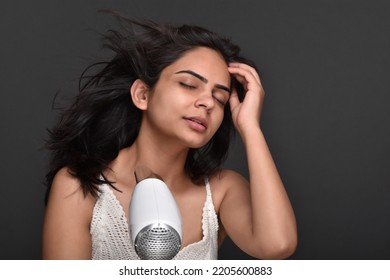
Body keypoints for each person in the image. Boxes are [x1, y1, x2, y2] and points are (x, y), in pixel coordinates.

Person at [42, 12, 297, 260]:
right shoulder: (79, 187)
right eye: (188, 84)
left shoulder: (223, 190)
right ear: (143, 94)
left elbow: (277, 245)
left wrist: (250, 127)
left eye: (219, 98)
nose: (207, 102)